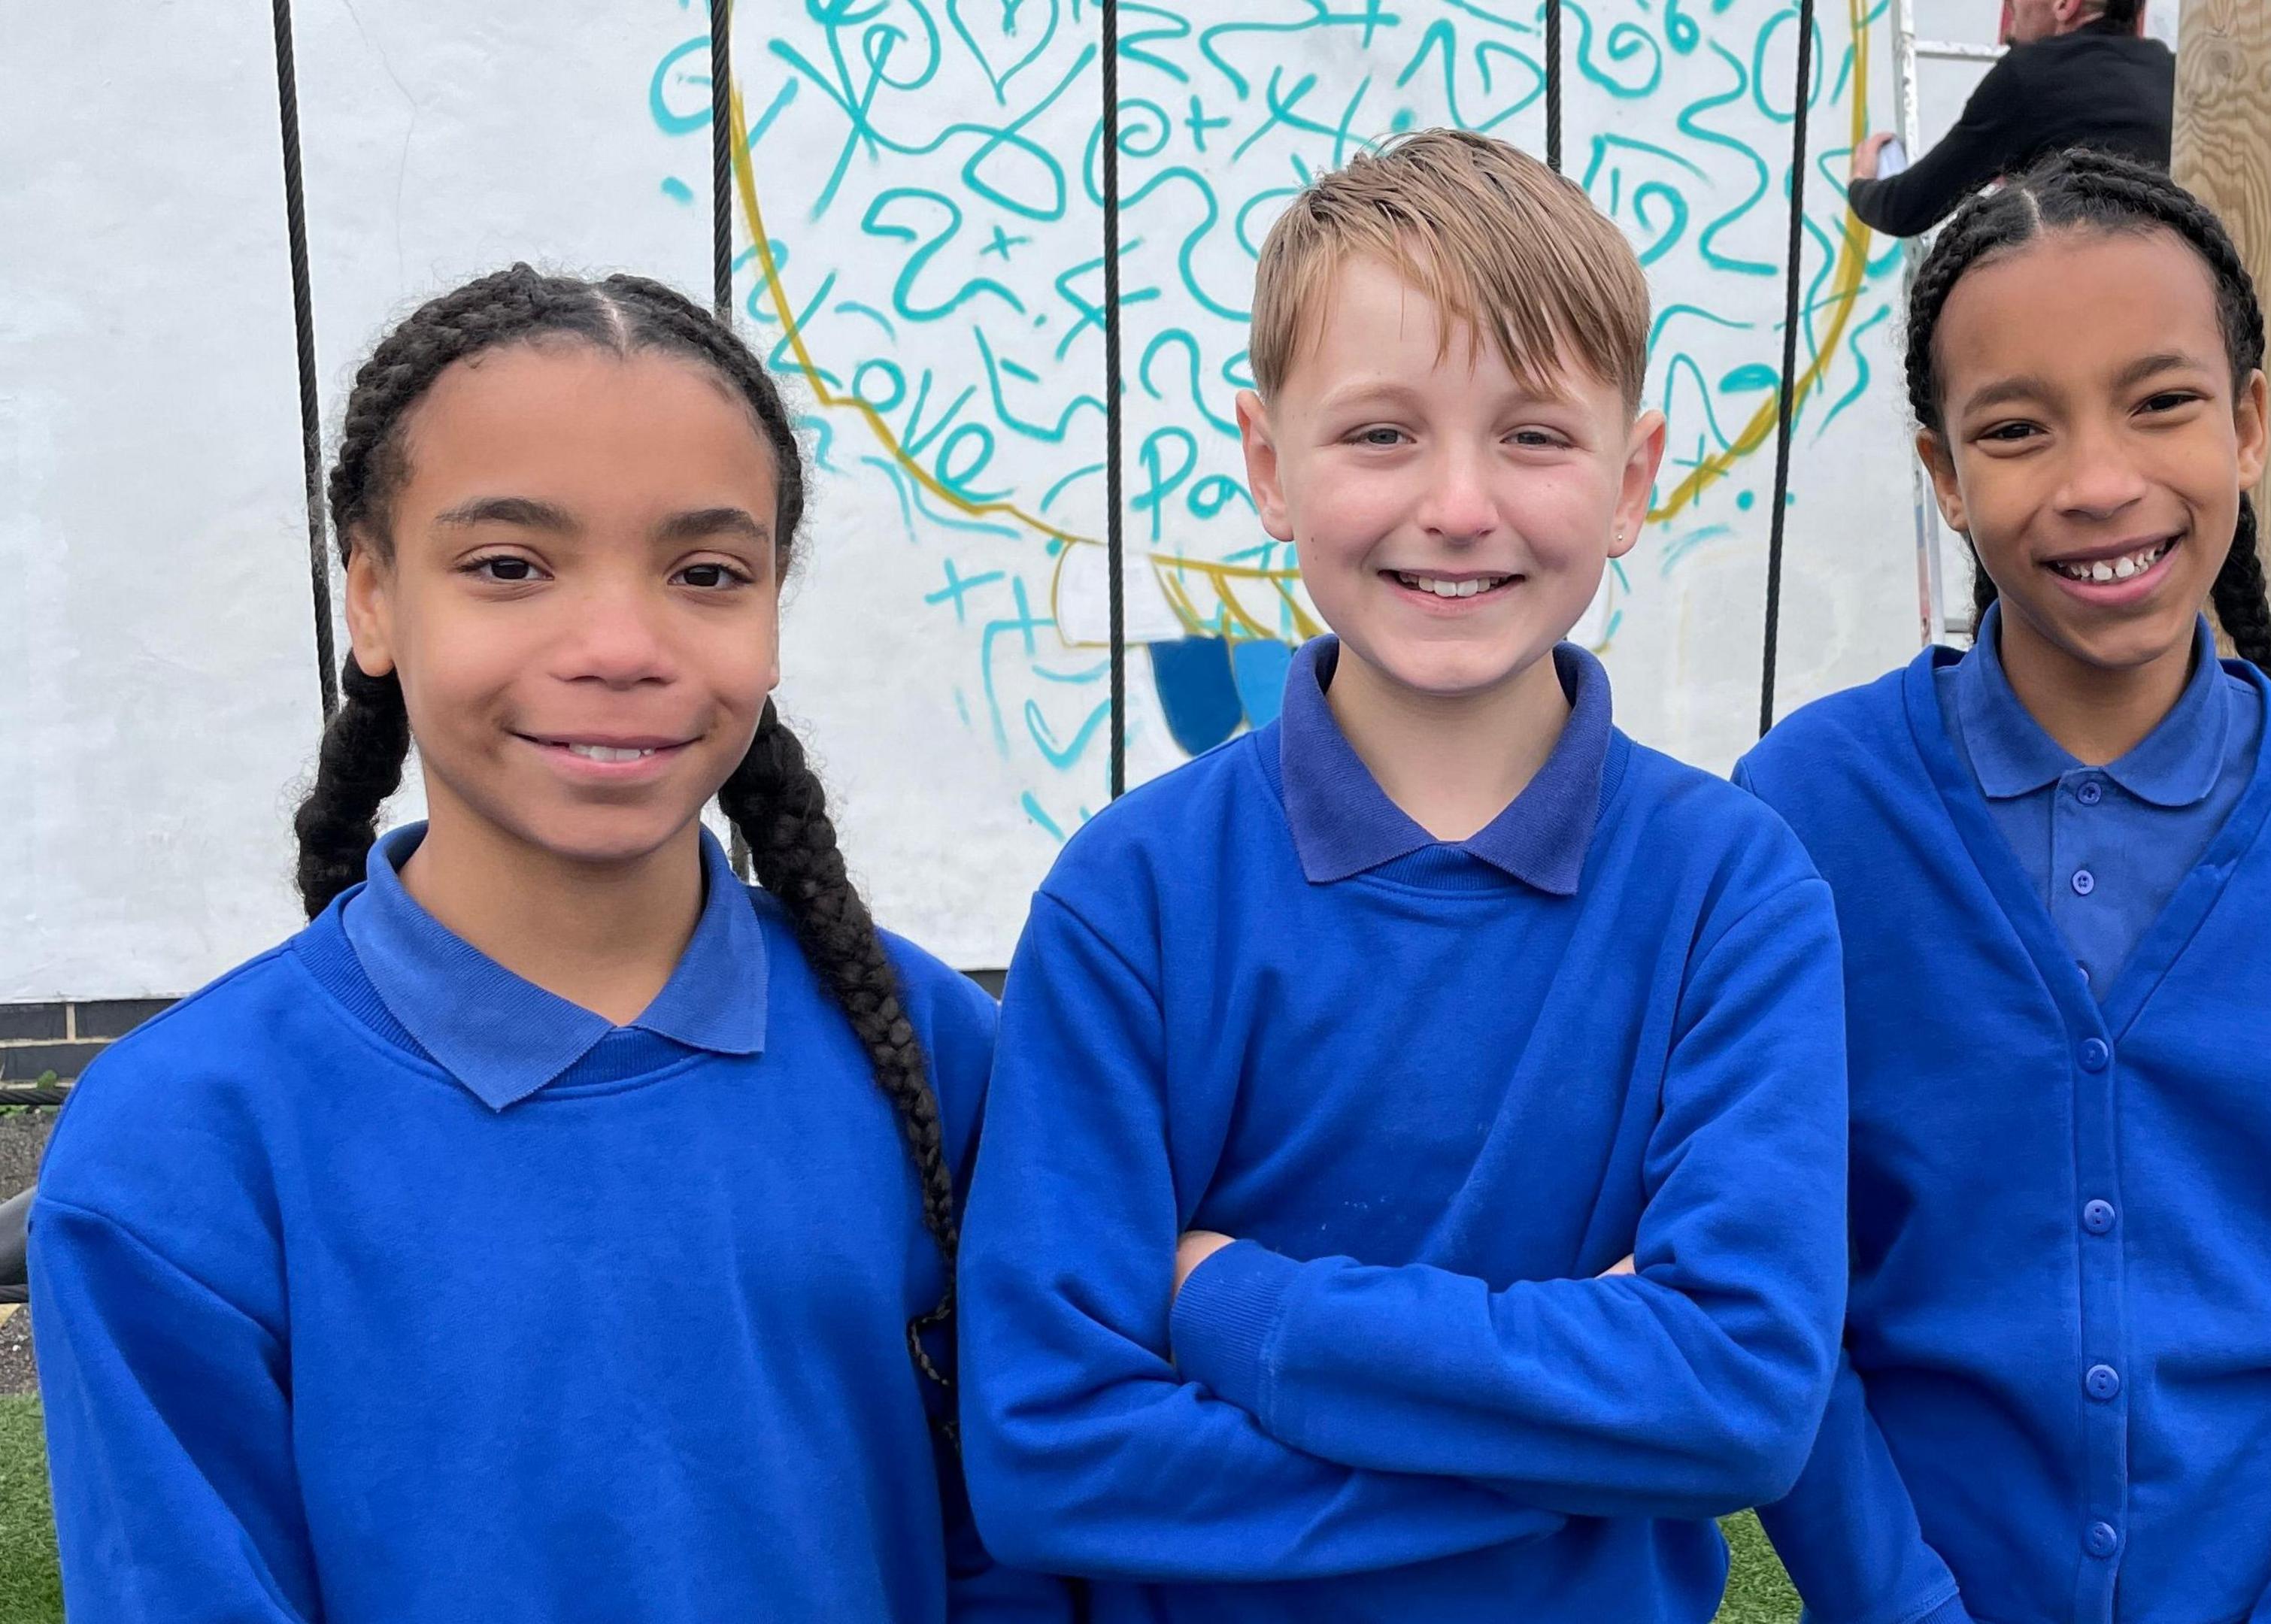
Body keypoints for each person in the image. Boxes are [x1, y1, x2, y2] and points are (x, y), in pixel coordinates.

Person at [29, 267, 1064, 1622]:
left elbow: (1026, 1549)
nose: (621, 646)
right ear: (373, 596)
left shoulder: (939, 1059)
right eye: (510, 567)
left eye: (705, 573)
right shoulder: (176, 1151)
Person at [957, 129, 1849, 1622]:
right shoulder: (1132, 900)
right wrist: (1584, 1436)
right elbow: (1051, 1455)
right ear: (1268, 465)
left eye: (1534, 437)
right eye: (1381, 434)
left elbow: (1742, 1402)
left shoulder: (1736, 897)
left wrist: (1229, 1304)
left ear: (1632, 480)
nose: (1455, 502)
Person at [1739, 150, 2271, 1624]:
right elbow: (1778, 1293)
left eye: (2162, 403)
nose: (2101, 482)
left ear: (2251, 425)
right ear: (1946, 477)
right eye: (2018, 429)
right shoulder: (1802, 818)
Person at [1849, 0, 2172, 238]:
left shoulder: (2030, 76)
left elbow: (1905, 210)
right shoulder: (2175, 74)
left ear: (2064, 5)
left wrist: (1862, 183)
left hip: (2074, 304)